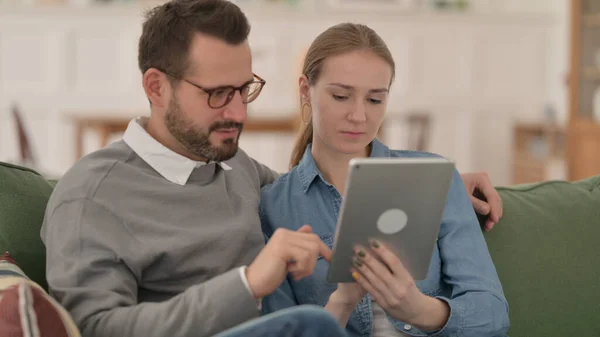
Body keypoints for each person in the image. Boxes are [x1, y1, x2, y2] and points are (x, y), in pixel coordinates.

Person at [40, 1, 502, 337]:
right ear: (157, 87)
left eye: (245, 90)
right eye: (218, 93)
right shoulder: (91, 195)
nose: (239, 114)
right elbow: (95, 328)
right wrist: (247, 284)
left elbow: (317, 191)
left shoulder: (234, 168)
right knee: (309, 325)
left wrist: (432, 187)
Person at [259, 23, 510, 337]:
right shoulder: (274, 206)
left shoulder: (435, 180)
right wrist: (342, 302)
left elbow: (493, 316)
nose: (359, 116)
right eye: (341, 96)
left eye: (375, 100)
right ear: (305, 90)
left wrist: (420, 310)